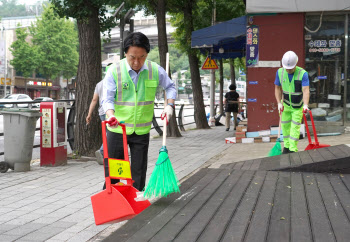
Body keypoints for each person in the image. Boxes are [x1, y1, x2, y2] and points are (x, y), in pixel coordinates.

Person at [101, 32, 176, 191]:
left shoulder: (154, 70)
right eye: (132, 57)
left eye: (141, 57)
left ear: (147, 54)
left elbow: (170, 87)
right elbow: (106, 99)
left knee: (138, 172)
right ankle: (111, 200)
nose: (137, 62)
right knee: (114, 171)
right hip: (117, 128)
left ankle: (136, 201)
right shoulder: (114, 71)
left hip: (141, 130)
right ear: (125, 54)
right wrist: (111, 115)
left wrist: (169, 106)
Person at [275, 50, 310, 153]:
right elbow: (277, 88)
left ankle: (292, 149)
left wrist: (306, 105)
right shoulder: (280, 72)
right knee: (285, 126)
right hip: (285, 105)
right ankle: (286, 147)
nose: (288, 70)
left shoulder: (303, 74)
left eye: (290, 68)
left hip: (298, 106)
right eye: (287, 68)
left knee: (295, 128)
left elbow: (305, 90)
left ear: (296, 63)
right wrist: (278, 103)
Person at [86, 64, 112, 165]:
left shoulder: (99, 84)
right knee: (110, 133)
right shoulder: (115, 83)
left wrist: (89, 114)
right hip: (112, 112)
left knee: (107, 133)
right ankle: (102, 151)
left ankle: (106, 153)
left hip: (102, 112)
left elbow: (94, 100)